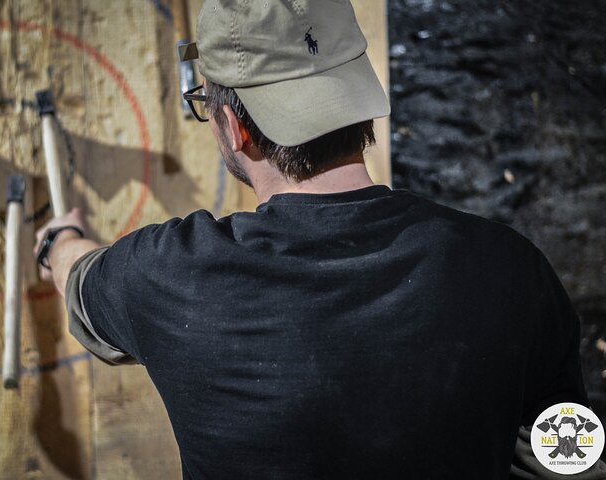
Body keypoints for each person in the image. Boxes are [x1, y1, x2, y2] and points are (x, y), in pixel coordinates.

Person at [33, 1, 603, 478]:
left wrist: (59, 240)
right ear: (357, 98)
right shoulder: (509, 268)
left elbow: (79, 278)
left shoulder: (166, 275)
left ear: (233, 126)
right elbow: (570, 456)